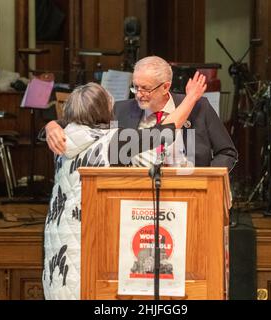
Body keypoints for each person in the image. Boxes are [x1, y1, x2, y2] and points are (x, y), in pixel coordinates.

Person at [43, 74, 207, 300]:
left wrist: (51, 123)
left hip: (58, 238)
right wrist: (191, 98)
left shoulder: (60, 138)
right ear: (103, 111)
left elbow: (67, 123)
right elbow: (164, 131)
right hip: (88, 240)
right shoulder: (112, 141)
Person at [45, 56, 238, 169]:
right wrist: (51, 126)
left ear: (165, 87)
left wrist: (208, 181)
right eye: (135, 87)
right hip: (134, 199)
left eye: (145, 88)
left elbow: (227, 152)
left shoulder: (198, 106)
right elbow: (78, 122)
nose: (139, 94)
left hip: (190, 192)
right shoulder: (121, 109)